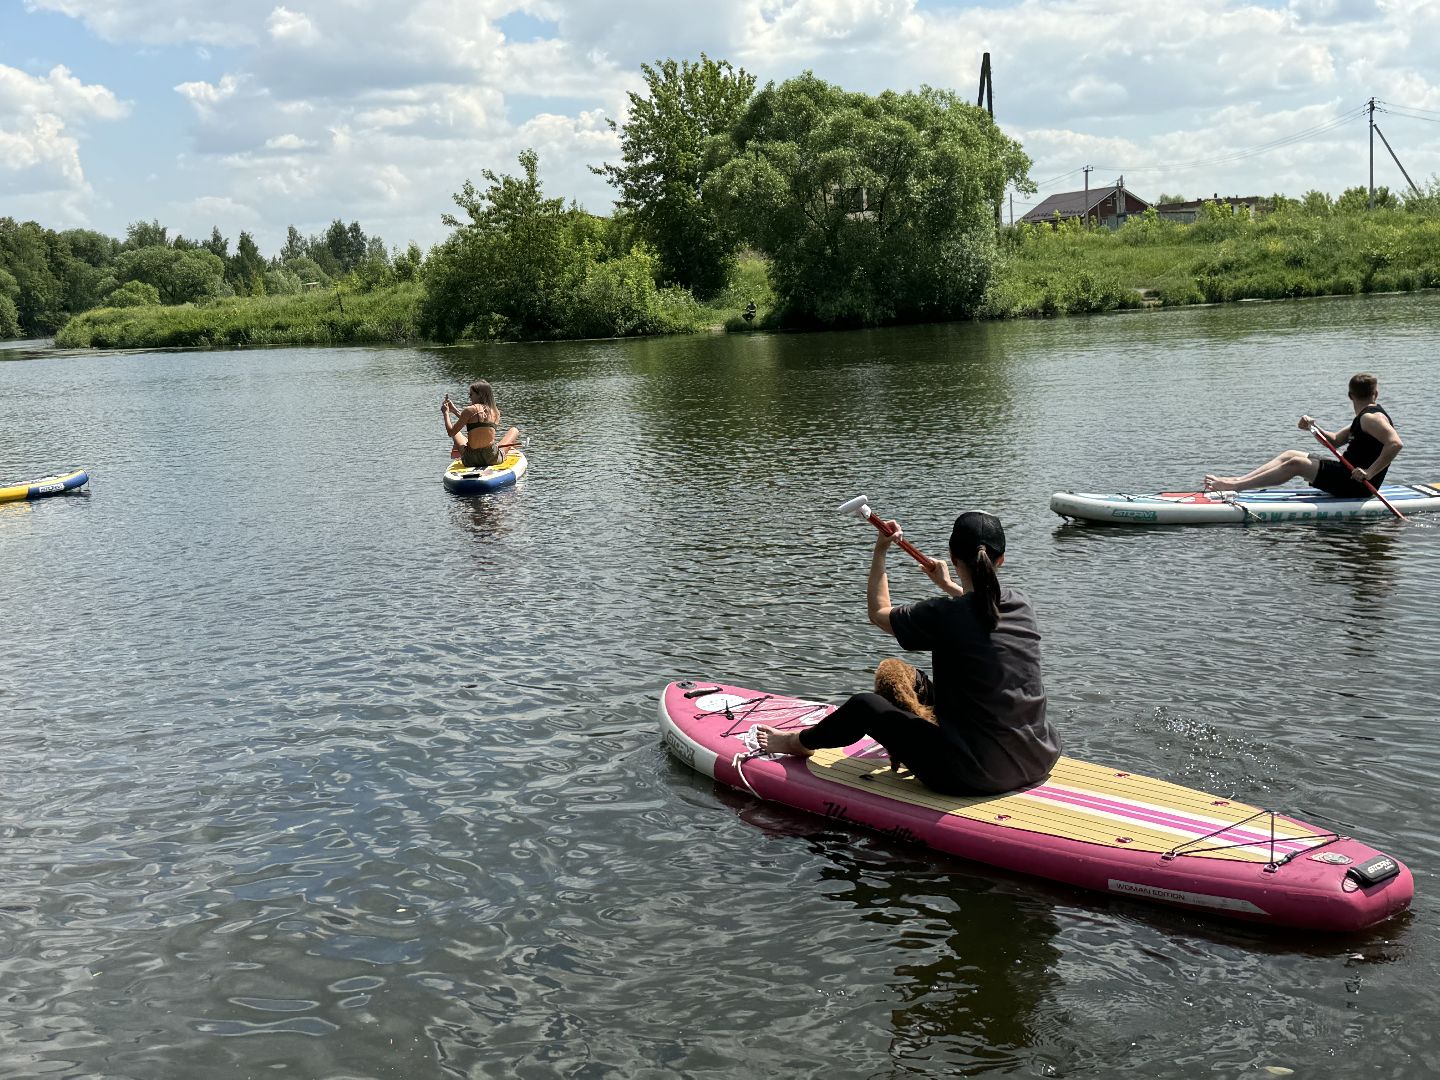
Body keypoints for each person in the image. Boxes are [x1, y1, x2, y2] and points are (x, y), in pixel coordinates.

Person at [757, 511, 1062, 795]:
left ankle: (796, 743)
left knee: (865, 705)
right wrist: (949, 586)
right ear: (1002, 559)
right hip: (1040, 757)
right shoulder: (1022, 604)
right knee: (909, 679)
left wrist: (880, 552)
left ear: (954, 558)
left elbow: (879, 613)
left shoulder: (945, 614)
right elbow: (981, 611)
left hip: (973, 775)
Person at [1203, 372, 1403, 497]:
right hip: (1346, 474)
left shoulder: (1371, 419)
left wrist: (1369, 473)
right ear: (1375, 394)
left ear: (1350, 396)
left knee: (1296, 465)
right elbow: (1334, 440)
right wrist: (1313, 428)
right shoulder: (1364, 417)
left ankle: (1236, 487)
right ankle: (1238, 481)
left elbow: (1395, 444)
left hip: (1358, 484)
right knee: (1291, 454)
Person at [442, 380, 520, 468]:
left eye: (471, 394)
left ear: (480, 395)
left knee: (457, 433)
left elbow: (451, 432)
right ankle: (506, 450)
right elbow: (474, 422)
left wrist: (446, 413)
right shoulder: (495, 412)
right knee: (514, 430)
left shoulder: (469, 410)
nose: (469, 397)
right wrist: (454, 410)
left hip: (470, 460)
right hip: (491, 458)